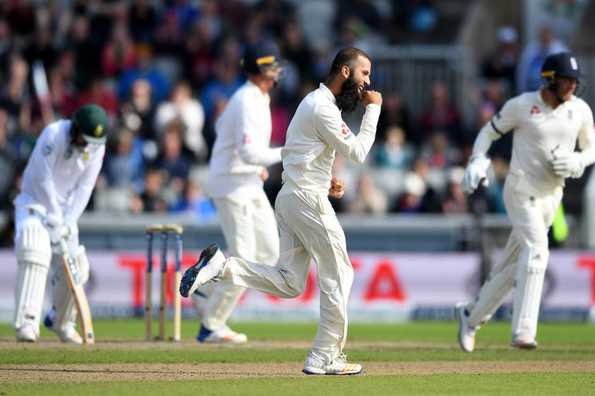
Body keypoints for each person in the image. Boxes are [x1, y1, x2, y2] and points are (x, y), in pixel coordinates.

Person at [180, 47, 382, 375]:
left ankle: (222, 266)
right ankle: (324, 354)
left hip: (293, 197)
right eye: (365, 74)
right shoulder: (321, 106)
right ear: (346, 72)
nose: (368, 83)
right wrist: (373, 111)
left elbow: (301, 151)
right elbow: (358, 152)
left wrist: (325, 178)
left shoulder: (316, 103)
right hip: (304, 200)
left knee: (290, 283)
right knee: (341, 270)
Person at [456, 52, 595, 352]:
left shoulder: (580, 110)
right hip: (520, 190)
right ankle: (523, 331)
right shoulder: (522, 105)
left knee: (512, 267)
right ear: (550, 80)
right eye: (566, 80)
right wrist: (478, 160)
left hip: (550, 197)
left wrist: (577, 161)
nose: (572, 86)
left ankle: (471, 316)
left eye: (575, 81)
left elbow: (591, 149)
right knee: (537, 251)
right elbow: (487, 133)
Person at [190, 42, 284, 344]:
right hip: (232, 186)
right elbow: (247, 151)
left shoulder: (258, 97)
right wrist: (289, 152)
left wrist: (251, 161)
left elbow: (224, 128)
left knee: (269, 254)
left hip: (248, 183)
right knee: (244, 257)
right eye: (269, 69)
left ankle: (206, 287)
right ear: (256, 73)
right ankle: (211, 325)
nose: (275, 74)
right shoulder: (245, 99)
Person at [12, 104, 108, 343]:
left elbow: (85, 187)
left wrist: (67, 221)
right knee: (36, 249)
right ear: (75, 127)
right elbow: (41, 178)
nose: (87, 147)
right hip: (34, 203)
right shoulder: (53, 134)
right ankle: (27, 321)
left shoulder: (96, 147)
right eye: (83, 140)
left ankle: (61, 321)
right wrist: (53, 215)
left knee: (78, 266)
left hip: (65, 214)